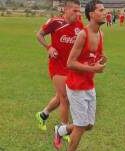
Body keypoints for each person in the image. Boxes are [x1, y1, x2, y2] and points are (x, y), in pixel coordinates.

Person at [63, 0, 106, 151]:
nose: (105, 13)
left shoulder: (101, 34)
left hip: (89, 84)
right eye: (101, 10)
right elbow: (70, 62)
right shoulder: (83, 35)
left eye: (104, 10)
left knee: (89, 125)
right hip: (75, 86)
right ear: (91, 14)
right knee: (81, 126)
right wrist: (93, 67)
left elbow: (96, 56)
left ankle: (61, 131)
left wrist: (100, 62)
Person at [35, 0, 83, 142]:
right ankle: (64, 129)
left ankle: (43, 114)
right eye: (75, 10)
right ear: (66, 10)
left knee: (59, 97)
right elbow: (39, 34)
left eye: (79, 11)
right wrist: (48, 47)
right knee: (65, 98)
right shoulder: (55, 22)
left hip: (70, 67)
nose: (77, 13)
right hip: (56, 66)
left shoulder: (79, 25)